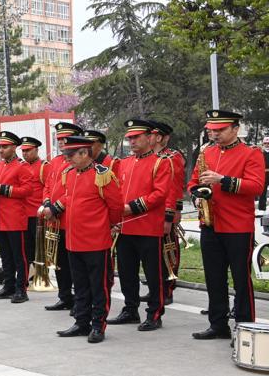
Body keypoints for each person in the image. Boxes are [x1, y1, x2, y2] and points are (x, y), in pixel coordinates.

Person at [188, 109, 265, 340]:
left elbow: (256, 187)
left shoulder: (251, 153)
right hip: (210, 224)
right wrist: (197, 193)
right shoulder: (207, 152)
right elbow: (193, 182)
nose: (215, 134)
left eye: (220, 130)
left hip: (237, 226)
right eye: (212, 130)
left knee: (241, 280)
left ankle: (244, 328)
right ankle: (218, 324)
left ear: (235, 129)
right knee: (214, 277)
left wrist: (223, 180)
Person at [47, 135, 123, 344]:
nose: (67, 158)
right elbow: (68, 198)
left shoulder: (102, 175)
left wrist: (108, 225)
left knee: (98, 286)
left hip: (96, 240)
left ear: (84, 153)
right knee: (80, 285)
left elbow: (116, 206)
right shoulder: (69, 174)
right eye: (66, 154)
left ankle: (98, 325)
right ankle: (82, 322)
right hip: (73, 240)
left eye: (71, 154)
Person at [106, 120, 173, 331]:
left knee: (154, 275)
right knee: (127, 272)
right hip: (125, 227)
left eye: (136, 137)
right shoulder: (123, 163)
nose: (132, 141)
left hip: (148, 227)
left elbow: (160, 194)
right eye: (130, 138)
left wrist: (131, 208)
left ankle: (154, 313)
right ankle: (130, 308)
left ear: (149, 137)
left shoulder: (161, 162)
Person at [42, 121, 84, 311]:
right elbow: (48, 186)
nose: (61, 142)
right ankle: (65, 296)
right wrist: (46, 204)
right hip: (54, 218)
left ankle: (78, 299)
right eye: (59, 139)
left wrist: (55, 208)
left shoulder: (76, 163)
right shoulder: (55, 161)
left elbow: (72, 191)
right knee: (58, 261)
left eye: (64, 138)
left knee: (72, 263)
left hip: (69, 218)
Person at [0, 131, 31, 303]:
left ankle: (22, 289)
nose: (1, 150)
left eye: (4, 147)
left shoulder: (22, 166)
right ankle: (8, 285)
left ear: (14, 147)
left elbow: (28, 190)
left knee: (19, 257)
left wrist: (4, 190)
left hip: (14, 218)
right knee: (5, 255)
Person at [150, 121, 186, 305]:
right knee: (152, 253)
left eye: (151, 135)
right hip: (150, 213)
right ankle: (155, 289)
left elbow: (175, 188)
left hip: (165, 211)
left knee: (168, 249)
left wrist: (171, 214)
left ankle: (168, 289)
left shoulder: (172, 157)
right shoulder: (148, 157)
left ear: (159, 138)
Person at [19, 137, 48, 277]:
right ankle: (31, 275)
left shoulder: (44, 166)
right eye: (23, 151)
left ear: (36, 149)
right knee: (26, 247)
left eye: (28, 150)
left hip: (37, 214)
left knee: (39, 247)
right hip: (23, 214)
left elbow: (48, 189)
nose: (25, 154)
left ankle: (41, 274)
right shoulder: (21, 166)